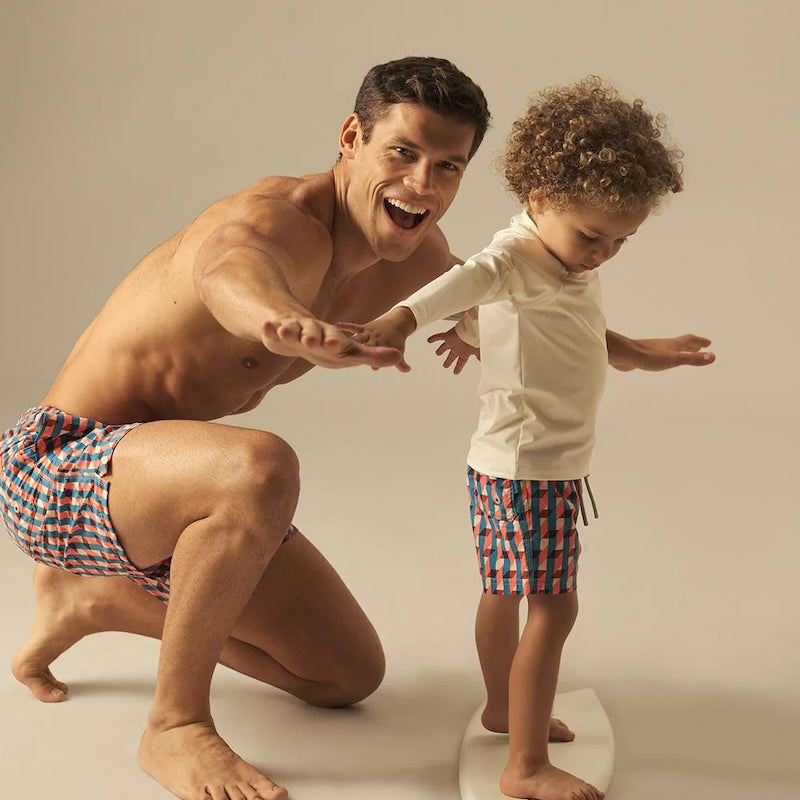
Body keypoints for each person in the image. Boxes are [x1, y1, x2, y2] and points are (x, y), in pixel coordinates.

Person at [0, 58, 712, 800]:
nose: (421, 185)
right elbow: (229, 271)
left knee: (343, 676)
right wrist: (285, 321)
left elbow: (535, 306)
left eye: (447, 167)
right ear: (351, 138)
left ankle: (98, 600)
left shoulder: (422, 258)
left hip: (162, 499)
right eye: (402, 153)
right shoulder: (276, 219)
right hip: (57, 467)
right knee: (261, 469)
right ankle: (174, 726)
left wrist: (632, 351)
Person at [346, 75, 711, 800]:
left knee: (503, 593)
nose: (603, 252)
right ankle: (525, 765)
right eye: (592, 235)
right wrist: (399, 321)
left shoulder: (562, 259)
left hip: (522, 464)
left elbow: (578, 330)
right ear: (538, 201)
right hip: (530, 469)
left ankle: (501, 709)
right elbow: (462, 283)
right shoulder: (514, 257)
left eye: (620, 240)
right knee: (554, 605)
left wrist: (641, 350)